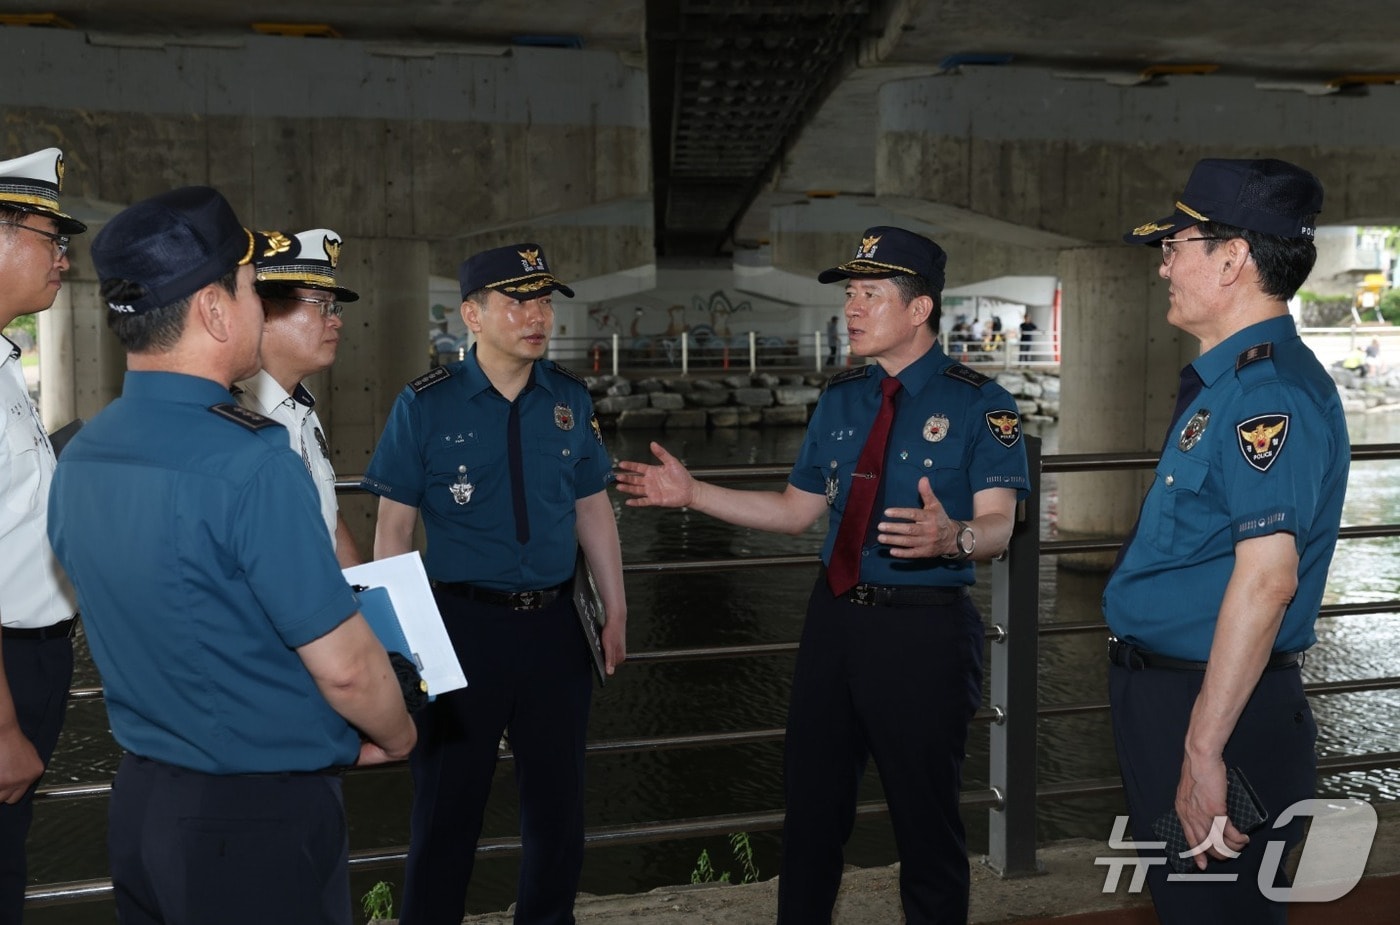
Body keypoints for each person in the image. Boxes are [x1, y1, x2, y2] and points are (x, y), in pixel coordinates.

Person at [616, 226, 1029, 924]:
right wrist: (694, 495)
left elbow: (999, 523)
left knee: (925, 823)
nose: (852, 308)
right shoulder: (841, 397)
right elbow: (794, 510)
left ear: (919, 308)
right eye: (850, 294)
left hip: (922, 631)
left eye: (870, 293)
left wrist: (954, 535)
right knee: (810, 814)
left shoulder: (979, 403)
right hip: (834, 620)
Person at [46, 186, 416, 925]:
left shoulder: (81, 454)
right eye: (250, 288)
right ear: (215, 311)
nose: (258, 307)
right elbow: (346, 666)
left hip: (143, 804)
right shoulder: (251, 462)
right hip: (253, 823)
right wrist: (399, 732)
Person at [1106, 158, 1349, 924]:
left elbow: (1269, 578)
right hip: (1183, 698)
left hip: (1216, 711)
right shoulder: (1234, 384)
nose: (1163, 267)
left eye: (1174, 246)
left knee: (1217, 911)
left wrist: (1202, 748)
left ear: (1232, 258)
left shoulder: (1265, 394)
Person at [362, 242, 627, 925]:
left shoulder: (569, 398)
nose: (538, 316)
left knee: (558, 810)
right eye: (518, 301)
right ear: (472, 315)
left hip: (556, 629)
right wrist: (404, 644)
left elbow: (592, 508)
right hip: (459, 629)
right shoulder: (425, 404)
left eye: (544, 301)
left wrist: (615, 611)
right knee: (447, 809)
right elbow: (392, 532)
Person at [0, 146, 85, 925]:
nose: (64, 258)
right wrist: (1, 725)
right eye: (48, 238)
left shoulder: (6, 362)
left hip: (36, 654)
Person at [234, 228, 364, 566]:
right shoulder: (232, 418)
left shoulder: (301, 411)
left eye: (334, 308)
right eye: (321, 306)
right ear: (263, 313)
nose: (335, 322)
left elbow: (329, 519)